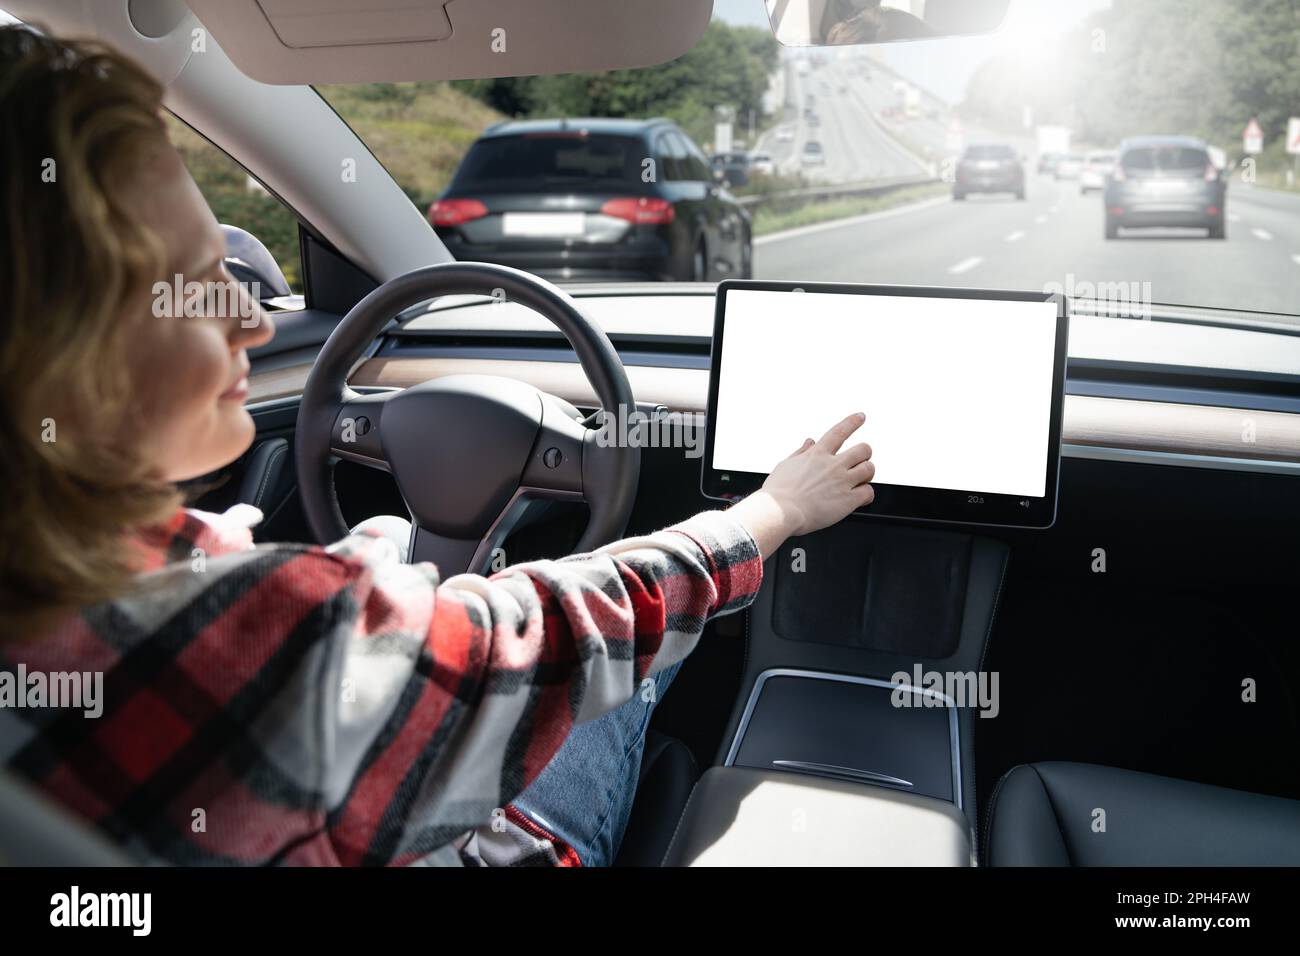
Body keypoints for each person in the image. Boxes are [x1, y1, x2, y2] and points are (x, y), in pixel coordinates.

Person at [0, 25, 875, 866]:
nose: (249, 325)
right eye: (195, 289)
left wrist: (368, 587)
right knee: (620, 675)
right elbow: (574, 628)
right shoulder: (256, 635)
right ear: (47, 347)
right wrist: (775, 510)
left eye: (238, 274)